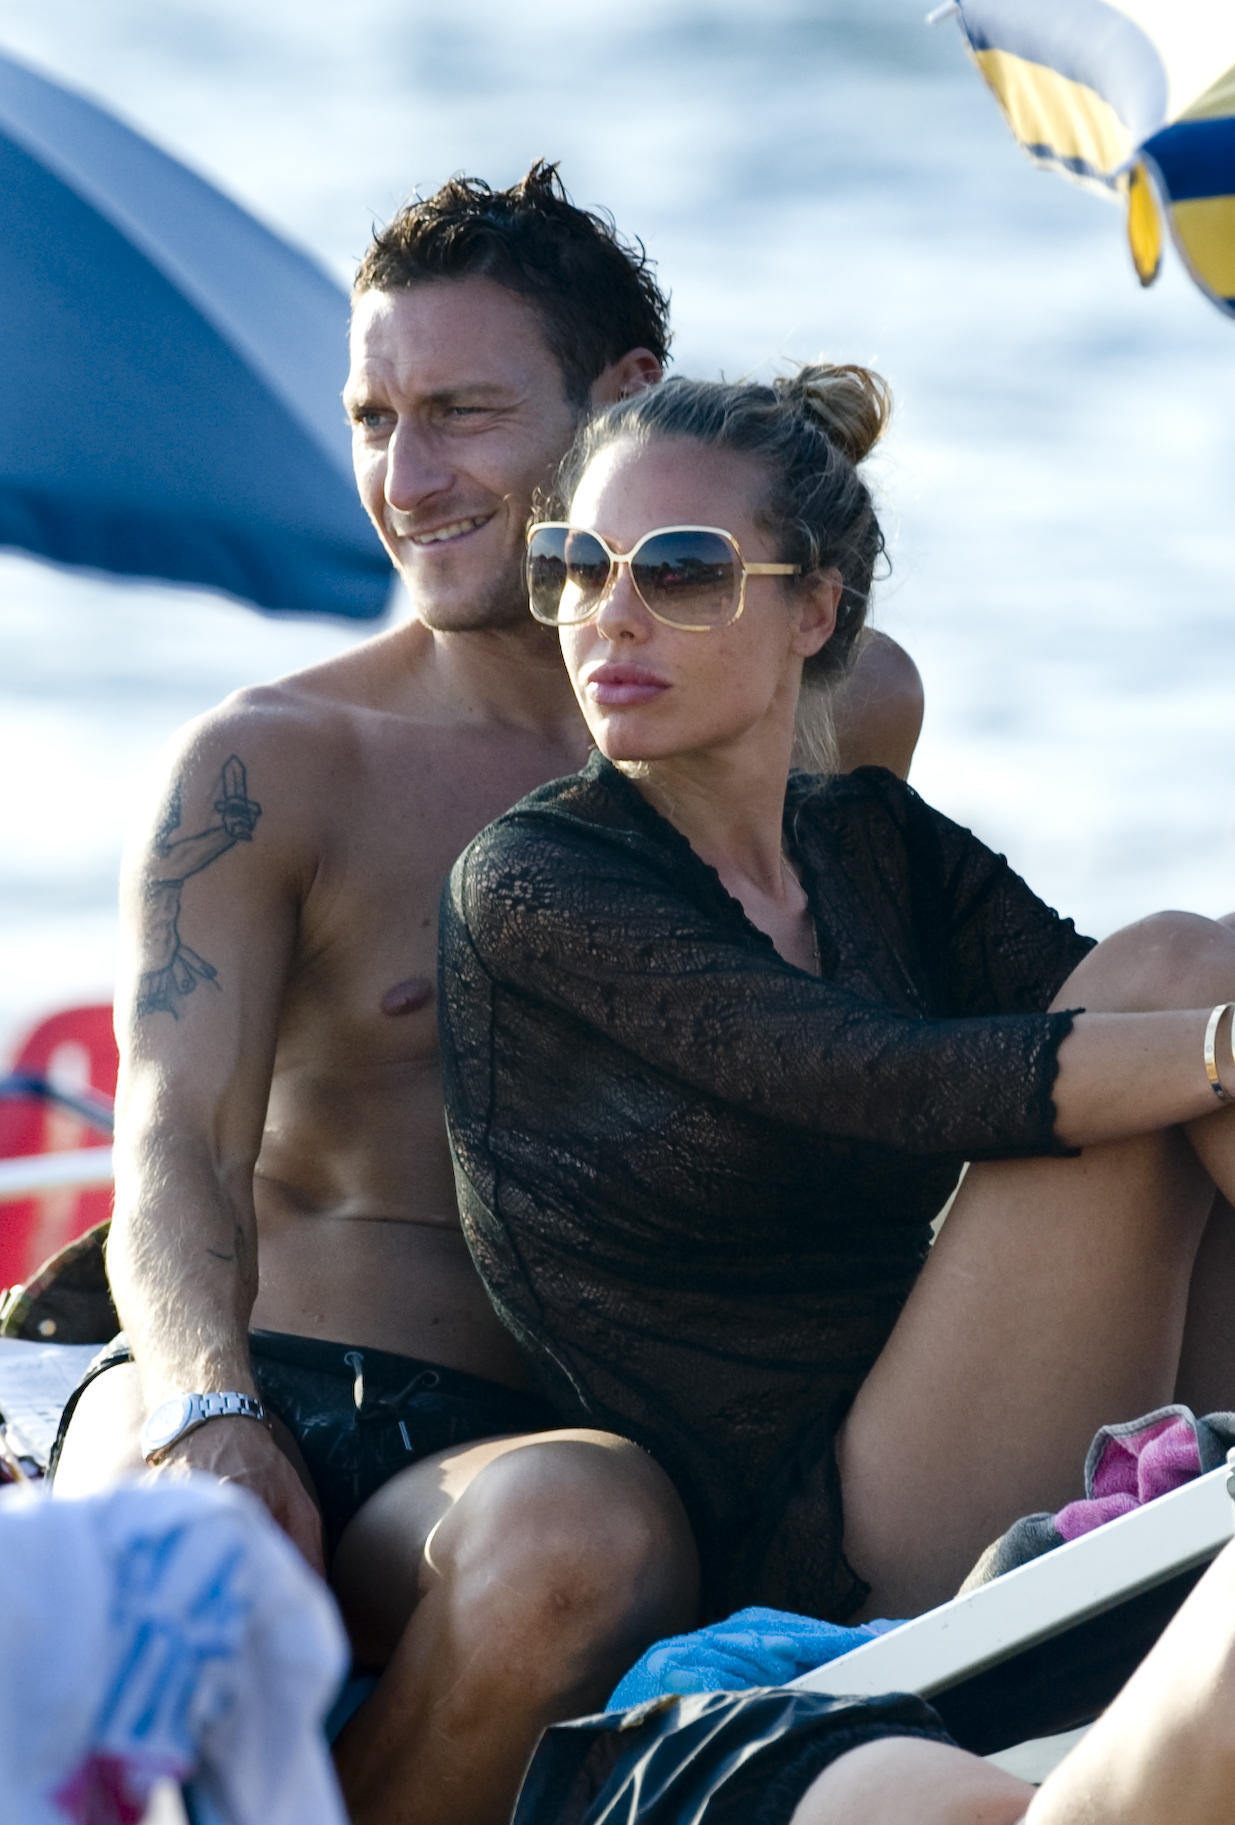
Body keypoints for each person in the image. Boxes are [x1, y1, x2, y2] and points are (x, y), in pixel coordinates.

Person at [51, 166, 924, 1825]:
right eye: (373, 419)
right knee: (192, 1548)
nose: (407, 478)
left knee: (581, 1540)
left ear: (623, 399)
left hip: (529, 1452)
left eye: (460, 413)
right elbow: (167, 1140)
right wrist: (206, 1411)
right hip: (249, 1367)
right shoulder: (274, 762)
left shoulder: (833, 712)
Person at [438, 361, 1235, 1640]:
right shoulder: (534, 883)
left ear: (812, 608)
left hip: (953, 1415)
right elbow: (887, 1080)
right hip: (808, 1539)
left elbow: (1120, 1004)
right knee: (1185, 1003)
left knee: (1188, 968)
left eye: (679, 571)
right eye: (576, 567)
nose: (610, 616)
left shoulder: (868, 842)